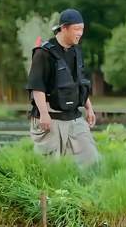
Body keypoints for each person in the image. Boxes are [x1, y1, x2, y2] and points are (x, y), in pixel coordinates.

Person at [26, 9, 99, 167]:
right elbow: (37, 87)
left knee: (92, 160)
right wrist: (44, 114)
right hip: (49, 120)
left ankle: (88, 190)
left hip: (74, 118)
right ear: (64, 28)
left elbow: (79, 83)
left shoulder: (76, 51)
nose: (80, 33)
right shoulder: (43, 53)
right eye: (76, 29)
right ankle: (46, 192)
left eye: (82, 29)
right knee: (49, 168)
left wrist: (89, 108)